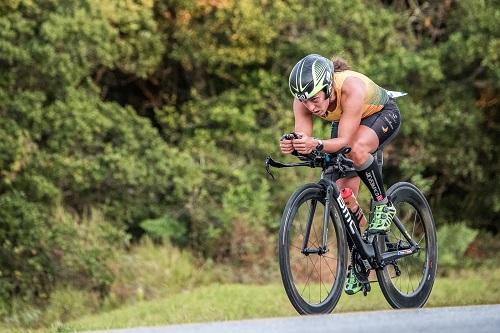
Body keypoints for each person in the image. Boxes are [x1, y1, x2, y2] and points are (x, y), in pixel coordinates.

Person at [280, 54, 402, 295]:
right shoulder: (303, 100)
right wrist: (294, 145)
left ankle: (383, 204)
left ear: (327, 87)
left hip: (380, 114)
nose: (311, 107)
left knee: (356, 149)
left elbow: (345, 141)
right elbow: (307, 142)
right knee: (344, 198)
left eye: (315, 99)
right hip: (348, 120)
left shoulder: (350, 88)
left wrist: (315, 143)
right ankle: (364, 258)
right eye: (305, 102)